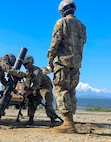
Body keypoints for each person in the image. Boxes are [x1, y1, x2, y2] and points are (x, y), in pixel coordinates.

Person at [47, 0, 86, 133]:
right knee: (71, 90)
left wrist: (50, 59)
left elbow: (55, 42)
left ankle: (68, 123)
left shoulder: (62, 22)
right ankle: (70, 121)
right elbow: (83, 42)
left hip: (63, 62)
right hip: (76, 63)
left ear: (62, 10)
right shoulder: (82, 26)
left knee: (61, 88)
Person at [22, 55, 56, 126]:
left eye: (26, 64)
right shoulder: (28, 71)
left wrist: (28, 91)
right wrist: (26, 90)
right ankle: (30, 119)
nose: (25, 66)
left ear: (31, 62)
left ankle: (52, 119)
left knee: (47, 100)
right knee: (31, 100)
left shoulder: (36, 71)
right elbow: (28, 83)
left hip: (45, 87)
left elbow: (36, 84)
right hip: (36, 88)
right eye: (24, 64)